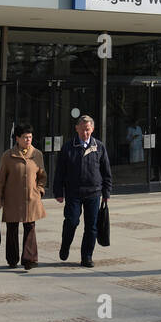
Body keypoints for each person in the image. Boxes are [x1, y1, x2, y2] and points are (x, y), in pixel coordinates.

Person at [51, 114, 112, 268]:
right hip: (73, 192)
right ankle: (65, 246)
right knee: (72, 221)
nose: (85, 133)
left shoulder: (99, 146)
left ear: (92, 129)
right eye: (83, 129)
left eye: (88, 130)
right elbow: (60, 171)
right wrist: (58, 191)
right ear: (76, 128)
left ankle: (87, 256)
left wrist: (106, 192)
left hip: (94, 192)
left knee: (91, 227)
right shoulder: (68, 147)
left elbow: (106, 171)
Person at [0, 123, 47, 271]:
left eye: (30, 137)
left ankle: (29, 259)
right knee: (12, 228)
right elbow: (0, 180)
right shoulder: (8, 156)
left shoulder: (37, 154)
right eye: (25, 137)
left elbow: (42, 176)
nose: (28, 140)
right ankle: (12, 259)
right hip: (12, 199)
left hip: (31, 198)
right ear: (17, 138)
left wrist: (39, 190)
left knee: (30, 227)